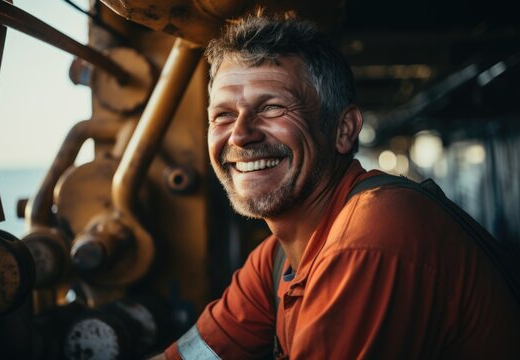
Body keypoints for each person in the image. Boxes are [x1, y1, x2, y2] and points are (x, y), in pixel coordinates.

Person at [154, 11, 520, 360]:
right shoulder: (277, 257)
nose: (240, 134)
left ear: (343, 130)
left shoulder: (371, 236)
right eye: (224, 115)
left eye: (272, 108)